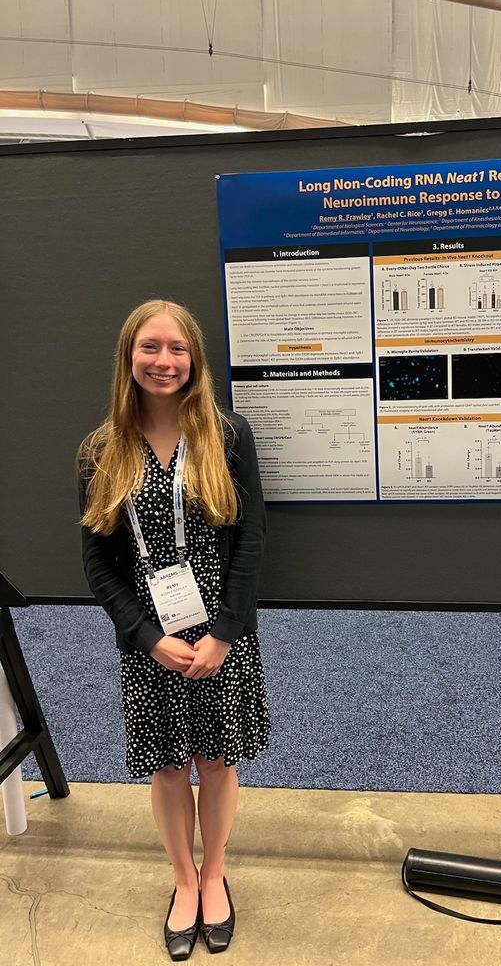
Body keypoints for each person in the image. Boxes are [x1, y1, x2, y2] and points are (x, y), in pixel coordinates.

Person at [78, 299, 269, 961]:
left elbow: (252, 540)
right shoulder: (100, 450)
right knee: (166, 767)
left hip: (221, 632)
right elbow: (97, 561)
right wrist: (145, 636)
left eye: (177, 348)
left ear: (195, 358)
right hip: (148, 637)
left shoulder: (228, 435)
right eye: (150, 347)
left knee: (215, 760)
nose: (164, 361)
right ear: (128, 357)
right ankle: (183, 881)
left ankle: (214, 875)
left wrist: (224, 634)